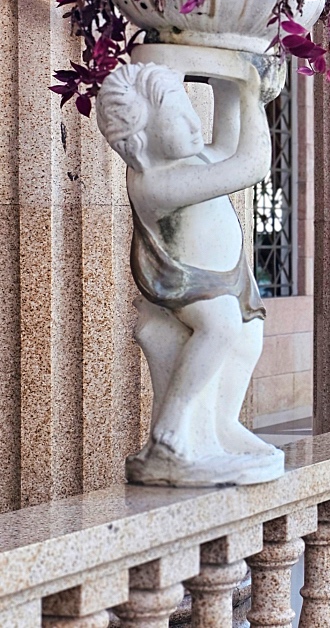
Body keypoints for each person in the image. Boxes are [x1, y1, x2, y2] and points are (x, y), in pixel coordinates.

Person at [96, 47, 284, 484]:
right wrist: (253, 97)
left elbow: (224, 143)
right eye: (180, 120)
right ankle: (170, 431)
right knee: (219, 327)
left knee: (249, 336)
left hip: (225, 275)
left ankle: (223, 424)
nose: (194, 123)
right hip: (184, 282)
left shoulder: (192, 157)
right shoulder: (156, 182)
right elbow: (250, 165)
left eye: (189, 110)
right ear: (143, 140)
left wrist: (228, 88)